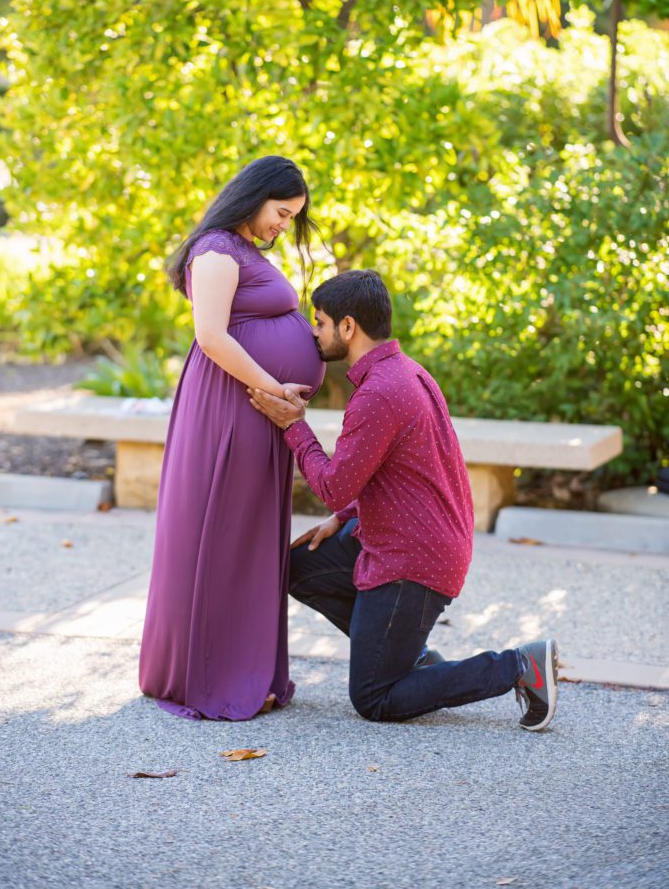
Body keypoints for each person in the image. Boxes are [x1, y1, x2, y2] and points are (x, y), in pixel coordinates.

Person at [248, 270, 558, 731]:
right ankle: (406, 652)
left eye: (320, 322)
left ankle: (517, 667)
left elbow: (333, 484)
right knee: (298, 568)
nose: (314, 333)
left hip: (413, 557)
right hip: (394, 532)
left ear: (348, 327)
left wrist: (294, 426)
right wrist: (344, 516)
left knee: (374, 696)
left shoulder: (379, 393)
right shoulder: (404, 372)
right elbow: (396, 471)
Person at [139, 156, 325, 720]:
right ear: (257, 196)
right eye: (281, 212)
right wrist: (276, 391)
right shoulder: (217, 250)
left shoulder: (242, 250)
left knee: (249, 536)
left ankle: (248, 668)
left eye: (292, 217)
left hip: (254, 409)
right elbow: (212, 336)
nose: (282, 226)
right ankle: (213, 672)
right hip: (232, 407)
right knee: (226, 531)